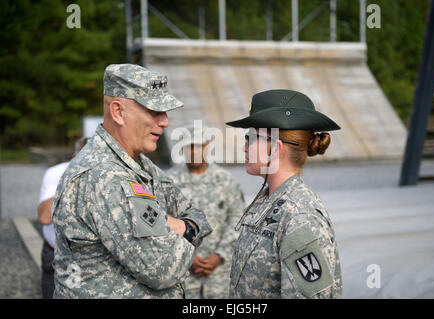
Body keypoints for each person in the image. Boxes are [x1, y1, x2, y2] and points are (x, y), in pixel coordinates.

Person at [52, 63, 212, 298]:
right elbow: (164, 268)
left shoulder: (140, 164)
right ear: (118, 112)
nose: (165, 121)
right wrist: (183, 228)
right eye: (154, 110)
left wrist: (182, 226)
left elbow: (198, 215)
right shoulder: (103, 176)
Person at [226, 89, 342, 298]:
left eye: (251, 138)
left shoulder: (299, 216)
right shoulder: (268, 200)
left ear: (276, 149)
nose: (244, 147)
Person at [167, 125, 245, 299]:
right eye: (189, 146)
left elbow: (237, 220)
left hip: (219, 276)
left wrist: (219, 256)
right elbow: (162, 223)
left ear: (207, 145)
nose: (194, 151)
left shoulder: (225, 181)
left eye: (199, 145)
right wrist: (188, 257)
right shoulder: (168, 182)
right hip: (182, 275)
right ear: (182, 148)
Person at [37, 137, 88, 299]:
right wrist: (72, 177)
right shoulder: (55, 173)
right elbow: (45, 217)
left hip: (89, 258)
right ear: (75, 157)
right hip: (56, 254)